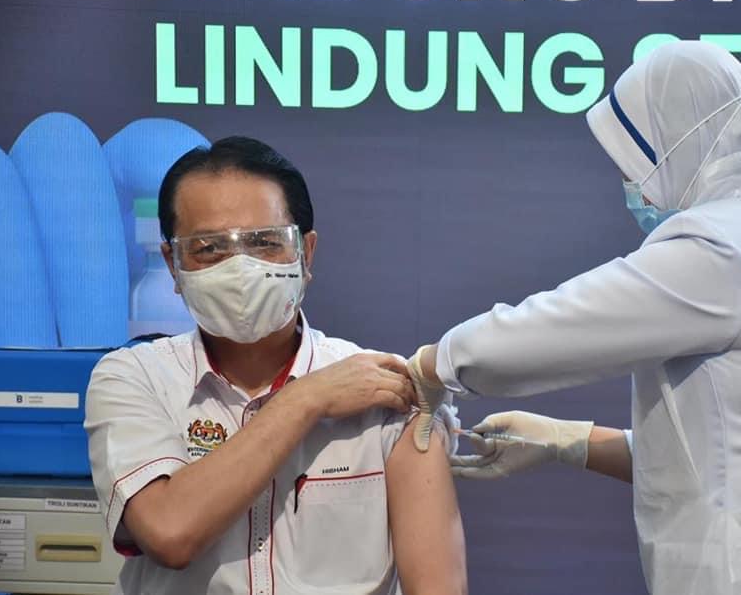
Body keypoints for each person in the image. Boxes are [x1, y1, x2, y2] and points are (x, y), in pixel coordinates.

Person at [405, 41, 741, 595]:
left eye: (634, 164)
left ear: (680, 145)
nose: (631, 185)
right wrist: (567, 441)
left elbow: (552, 329)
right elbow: (740, 458)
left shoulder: (723, 246)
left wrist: (433, 364)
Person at [84, 137, 467, 595]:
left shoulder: (386, 394)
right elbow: (169, 533)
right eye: (209, 248)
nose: (240, 268)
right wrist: (307, 397)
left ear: (307, 253)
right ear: (173, 263)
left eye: (265, 243)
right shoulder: (134, 378)